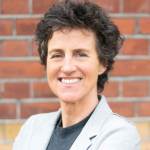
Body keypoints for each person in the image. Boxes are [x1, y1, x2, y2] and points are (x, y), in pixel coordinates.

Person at [13, 0, 140, 149]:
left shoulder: (119, 135)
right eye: (57, 55)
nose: (67, 67)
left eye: (80, 54)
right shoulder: (32, 128)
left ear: (103, 63)